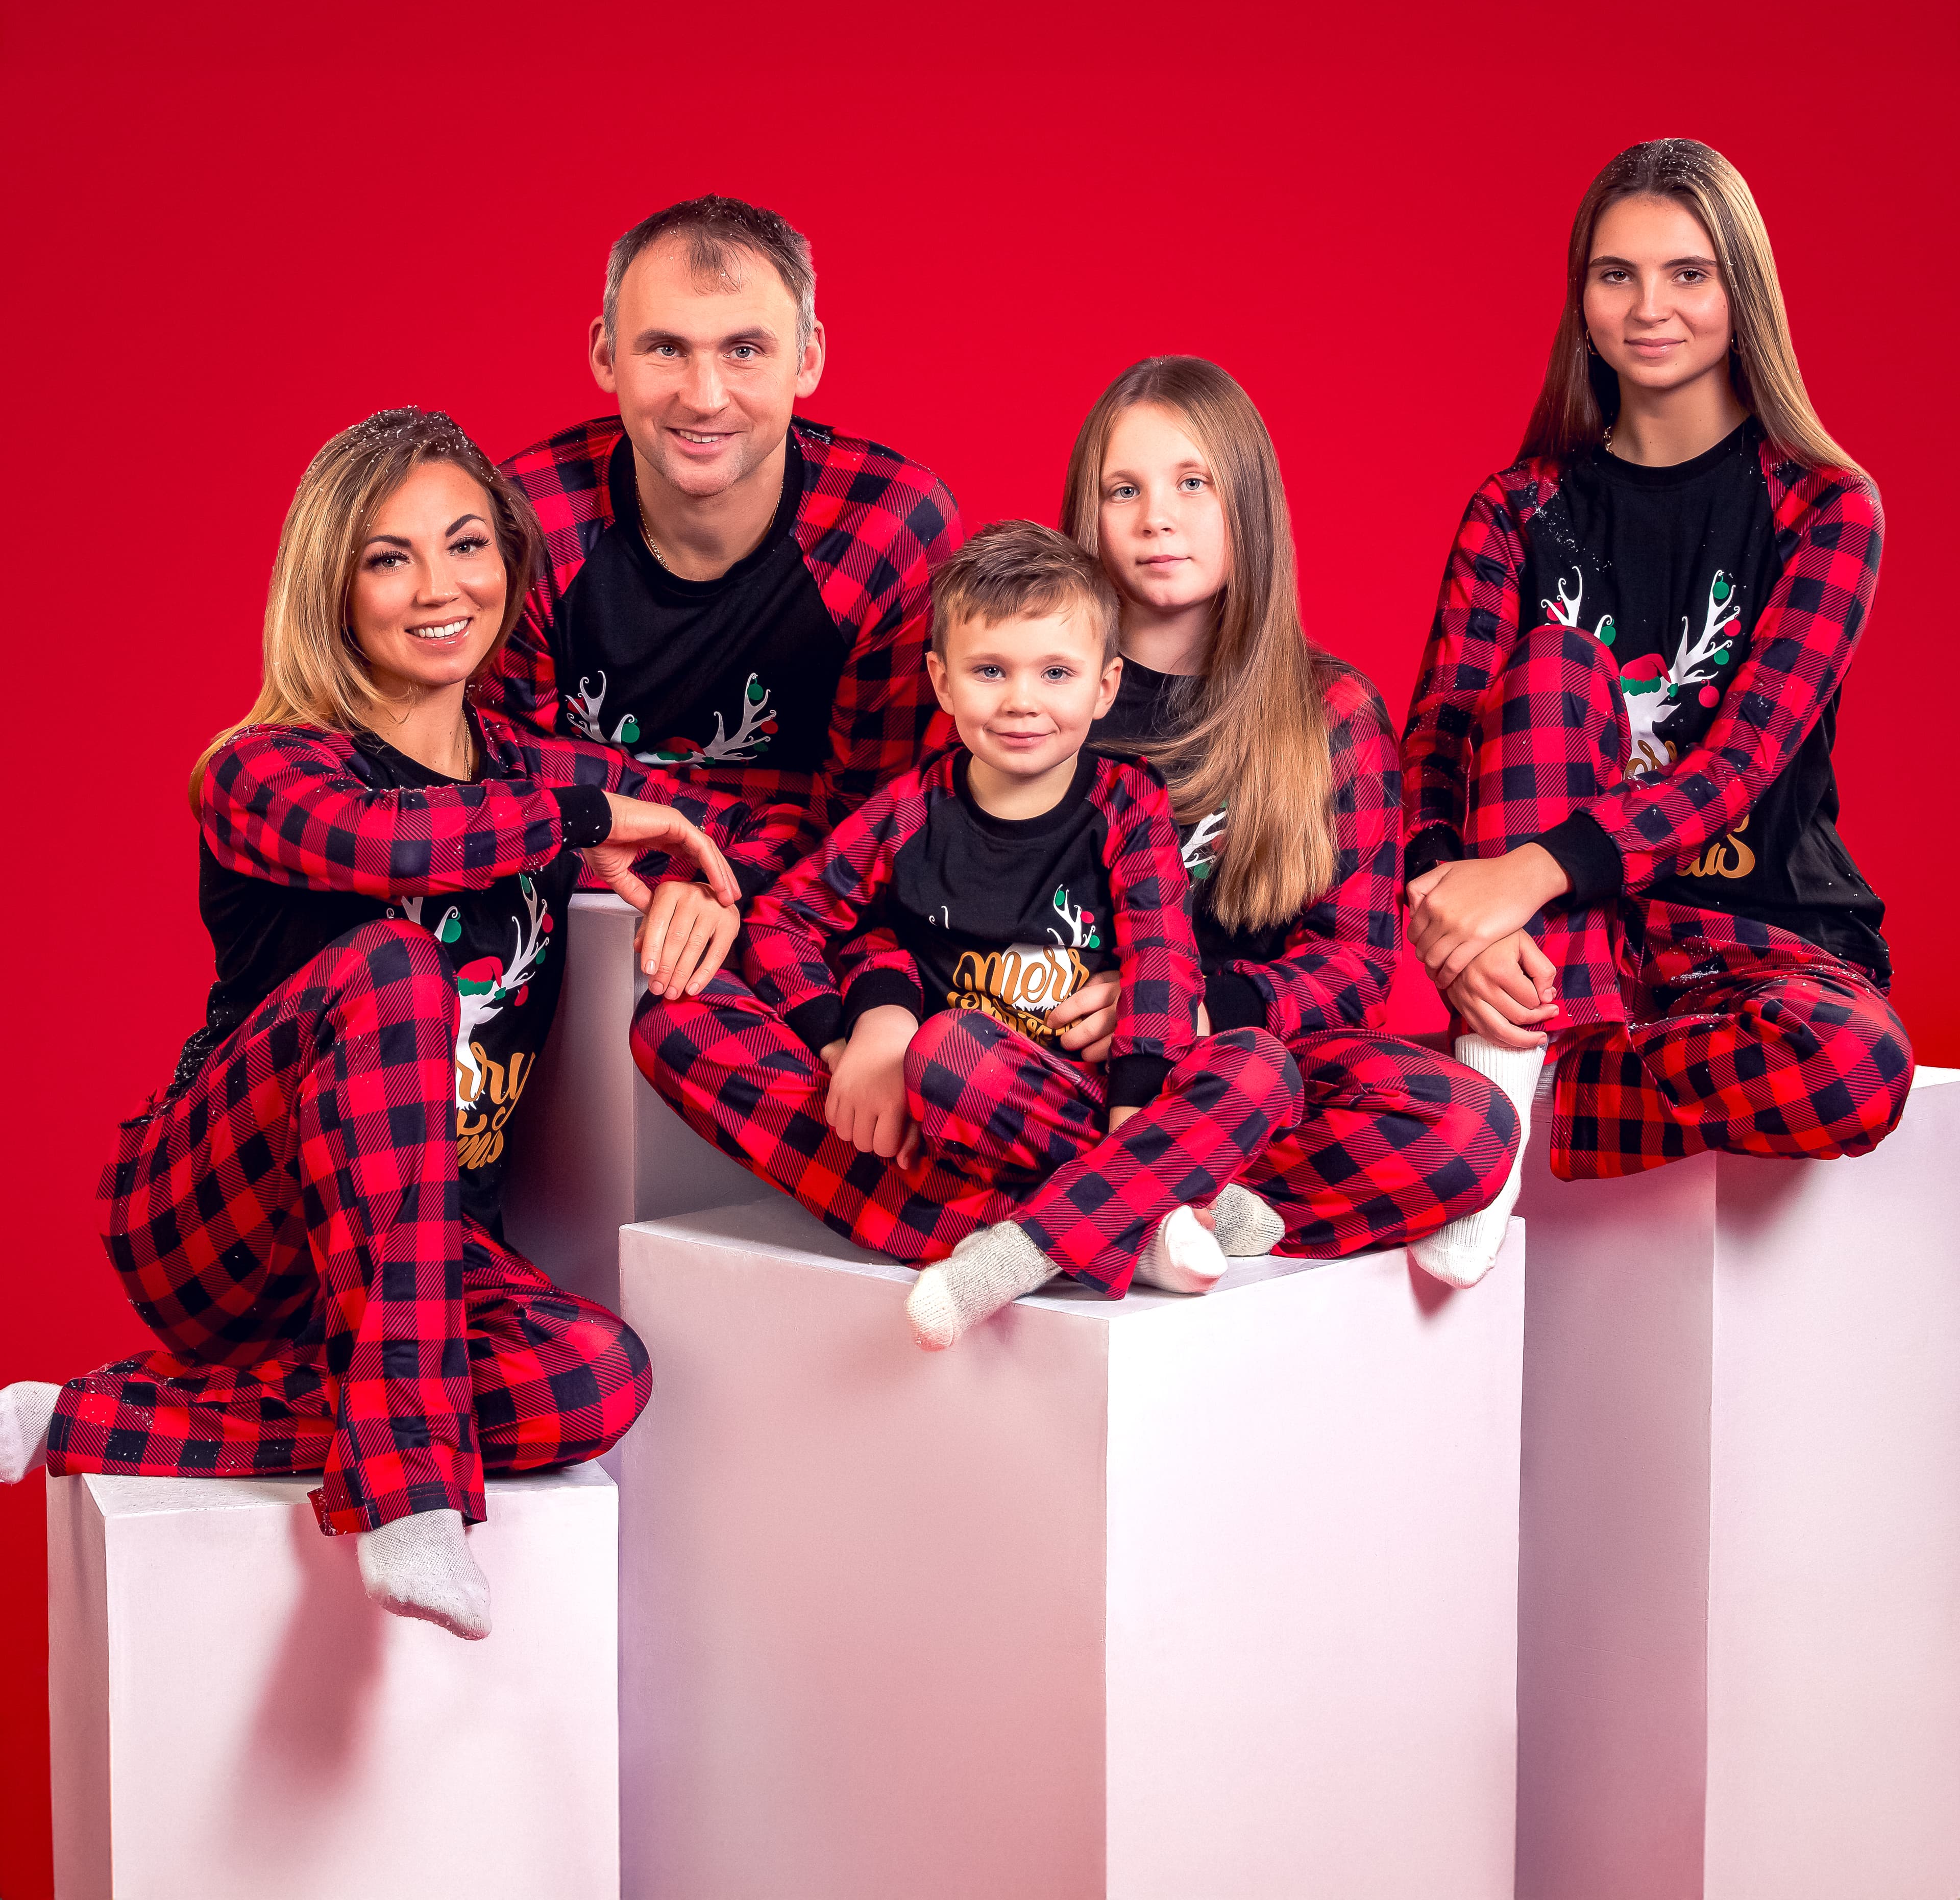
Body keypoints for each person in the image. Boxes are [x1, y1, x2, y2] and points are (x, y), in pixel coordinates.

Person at [0, 409, 744, 1640]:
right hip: (223, 1219)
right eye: (389, 558)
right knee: (396, 967)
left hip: (417, 1257)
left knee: (599, 1376)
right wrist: (588, 818)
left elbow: (735, 830)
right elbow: (384, 841)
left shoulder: (529, 771)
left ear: (510, 562)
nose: (440, 588)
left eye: (467, 546)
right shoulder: (262, 769)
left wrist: (695, 884)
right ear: (334, 588)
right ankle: (409, 1493)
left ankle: (65, 1420)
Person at [1401, 138, 1913, 1285]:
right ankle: (1507, 1056)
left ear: (1744, 294)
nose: (1651, 308)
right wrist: (1446, 896)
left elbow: (1741, 760)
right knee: (1549, 669)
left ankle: (1517, 1098)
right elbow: (1436, 733)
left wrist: (1521, 874)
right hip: (1568, 958)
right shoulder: (1519, 508)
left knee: (1857, 1069)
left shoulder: (1824, 505)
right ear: (1580, 301)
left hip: (1753, 933)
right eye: (1615, 274)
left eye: (1689, 274)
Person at [634, 522, 1306, 1349]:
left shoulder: (1129, 804)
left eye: (1055, 673)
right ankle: (1141, 1218)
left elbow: (1163, 960)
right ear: (942, 682)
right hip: (935, 1114)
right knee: (675, 1023)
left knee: (1257, 1066)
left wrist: (1139, 1124)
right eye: (991, 671)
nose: (1022, 701)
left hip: (1069, 1097)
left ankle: (1046, 1236)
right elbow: (784, 918)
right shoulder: (909, 809)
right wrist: (847, 1039)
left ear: (1105, 685)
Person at [1050, 355, 1520, 1290]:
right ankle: (1135, 1199)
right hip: (1072, 1066)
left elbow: (1355, 968)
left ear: (1248, 507)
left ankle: (1143, 1212)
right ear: (1085, 516)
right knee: (953, 1074)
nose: (1158, 519)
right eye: (1123, 490)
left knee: (1470, 1129)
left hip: (1249, 1076)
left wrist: (1188, 1010)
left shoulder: (1331, 712)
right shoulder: (1039, 695)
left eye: (1195, 484)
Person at [480, 193, 963, 991]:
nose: (704, 397)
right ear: (606, 355)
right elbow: (503, 771)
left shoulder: (888, 526)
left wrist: (720, 877)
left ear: (807, 359)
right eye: (666, 349)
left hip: (806, 917)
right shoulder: (526, 518)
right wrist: (699, 856)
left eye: (745, 351)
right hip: (567, 912)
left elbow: (874, 815)